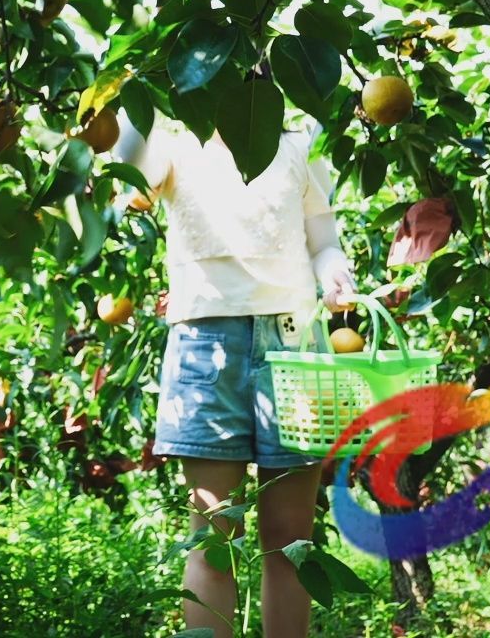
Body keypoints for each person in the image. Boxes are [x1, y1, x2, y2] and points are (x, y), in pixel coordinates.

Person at [115, 114, 357, 638]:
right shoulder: (172, 136)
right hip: (206, 346)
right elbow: (119, 166)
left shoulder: (297, 135)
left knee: (291, 540)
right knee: (215, 538)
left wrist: (335, 273)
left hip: (295, 346)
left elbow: (324, 240)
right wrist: (140, 88)